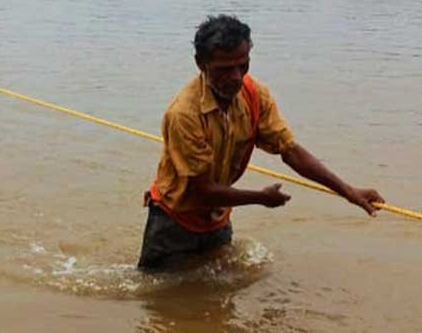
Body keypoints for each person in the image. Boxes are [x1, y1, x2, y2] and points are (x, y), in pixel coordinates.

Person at [138, 15, 384, 270]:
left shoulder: (254, 95)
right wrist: (261, 198)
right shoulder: (183, 114)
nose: (235, 77)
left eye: (242, 66)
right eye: (224, 69)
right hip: (173, 223)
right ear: (202, 64)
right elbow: (203, 190)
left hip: (218, 218)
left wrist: (348, 192)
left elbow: (290, 151)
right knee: (162, 297)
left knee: (216, 298)